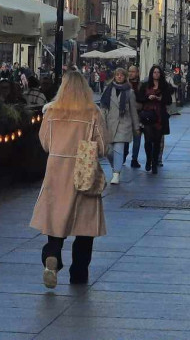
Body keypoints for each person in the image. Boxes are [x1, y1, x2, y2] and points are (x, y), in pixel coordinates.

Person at [29, 71, 107, 288]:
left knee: (56, 220)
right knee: (85, 226)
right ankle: (79, 272)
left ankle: (52, 255)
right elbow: (102, 146)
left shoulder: (52, 112)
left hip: (57, 170)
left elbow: (45, 142)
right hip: (84, 170)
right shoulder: (92, 113)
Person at [99, 68, 139, 185]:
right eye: (117, 75)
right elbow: (103, 107)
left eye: (122, 75)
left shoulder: (129, 92)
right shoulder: (108, 90)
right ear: (114, 76)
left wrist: (136, 126)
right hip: (110, 124)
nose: (119, 77)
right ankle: (115, 167)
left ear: (125, 76)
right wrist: (102, 122)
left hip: (123, 124)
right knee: (109, 151)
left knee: (119, 149)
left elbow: (133, 110)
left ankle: (116, 174)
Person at [139, 66, 170, 173]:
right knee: (148, 141)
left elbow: (169, 100)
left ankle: (155, 162)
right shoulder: (145, 85)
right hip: (148, 115)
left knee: (157, 141)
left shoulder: (164, 86)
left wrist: (160, 99)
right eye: (154, 72)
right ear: (151, 74)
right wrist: (148, 98)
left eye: (158, 72)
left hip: (159, 116)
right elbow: (140, 98)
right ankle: (148, 160)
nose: (156, 74)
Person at [128, 65, 143, 168]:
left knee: (137, 138)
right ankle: (124, 154)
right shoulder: (124, 84)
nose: (131, 73)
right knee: (124, 139)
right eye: (129, 71)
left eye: (133, 72)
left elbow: (143, 99)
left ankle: (134, 159)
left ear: (137, 73)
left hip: (138, 114)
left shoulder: (141, 85)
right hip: (126, 115)